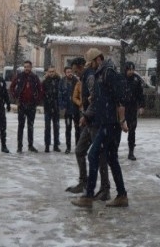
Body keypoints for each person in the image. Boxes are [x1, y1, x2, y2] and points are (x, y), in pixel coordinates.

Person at [71, 48, 129, 208]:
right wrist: (88, 115)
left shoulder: (108, 73)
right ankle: (122, 195)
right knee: (111, 159)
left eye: (91, 63)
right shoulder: (99, 75)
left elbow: (121, 96)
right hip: (105, 122)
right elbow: (97, 100)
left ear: (98, 59)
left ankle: (88, 196)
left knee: (92, 155)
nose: (90, 67)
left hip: (111, 124)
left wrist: (123, 119)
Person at [65, 57, 112, 200]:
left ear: (80, 67)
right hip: (89, 121)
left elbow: (95, 100)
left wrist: (86, 115)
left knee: (100, 156)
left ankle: (105, 188)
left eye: (75, 71)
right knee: (80, 150)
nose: (75, 74)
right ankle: (84, 182)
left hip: (96, 122)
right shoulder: (86, 77)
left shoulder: (91, 77)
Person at [10, 60, 43, 153]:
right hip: (22, 104)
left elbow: (40, 90)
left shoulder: (34, 77)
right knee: (21, 126)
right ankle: (19, 146)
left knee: (30, 126)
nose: (26, 68)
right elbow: (12, 87)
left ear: (31, 67)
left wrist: (37, 100)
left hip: (31, 105)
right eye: (25, 67)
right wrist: (15, 96)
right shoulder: (19, 76)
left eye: (28, 67)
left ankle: (30, 145)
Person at [123, 61, 145, 161]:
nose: (131, 72)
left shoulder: (137, 80)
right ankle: (113, 151)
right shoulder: (120, 79)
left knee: (132, 130)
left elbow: (141, 94)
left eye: (133, 69)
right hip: (122, 108)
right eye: (129, 69)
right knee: (116, 130)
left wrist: (141, 106)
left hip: (132, 108)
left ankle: (131, 151)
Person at [59, 66, 80, 153]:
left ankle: (78, 147)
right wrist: (62, 106)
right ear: (65, 73)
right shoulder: (62, 82)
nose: (69, 73)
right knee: (68, 129)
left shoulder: (76, 81)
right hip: (67, 110)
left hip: (76, 109)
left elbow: (80, 93)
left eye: (70, 71)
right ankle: (68, 147)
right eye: (68, 72)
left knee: (77, 129)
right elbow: (60, 95)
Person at [42, 66, 62, 152]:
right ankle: (47, 145)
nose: (51, 73)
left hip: (56, 107)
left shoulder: (59, 81)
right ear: (48, 72)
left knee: (56, 127)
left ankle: (56, 145)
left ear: (55, 72)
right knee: (47, 127)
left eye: (53, 71)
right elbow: (42, 93)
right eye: (50, 72)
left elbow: (60, 93)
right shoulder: (45, 82)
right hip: (48, 107)